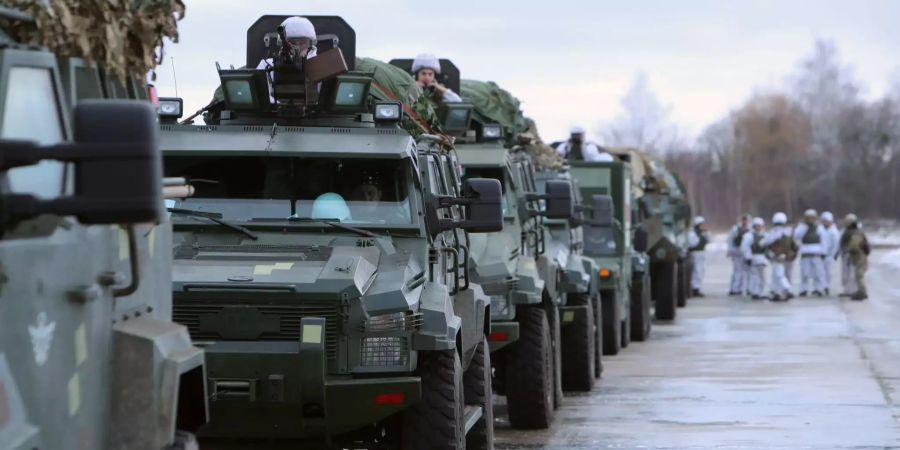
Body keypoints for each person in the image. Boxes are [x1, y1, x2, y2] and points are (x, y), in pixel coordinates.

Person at [255, 16, 318, 100]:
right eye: (292, 42)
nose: (297, 47)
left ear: (309, 45)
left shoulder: (320, 65)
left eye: (303, 43)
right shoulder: (268, 65)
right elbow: (259, 94)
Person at [762, 212, 796, 302]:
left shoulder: (776, 232)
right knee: (776, 275)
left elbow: (766, 242)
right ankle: (775, 292)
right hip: (785, 257)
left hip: (777, 256)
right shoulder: (788, 233)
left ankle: (788, 289)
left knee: (779, 275)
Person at [793, 209, 828, 297]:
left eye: (812, 218)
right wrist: (804, 227)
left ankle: (819, 288)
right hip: (805, 252)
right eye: (808, 218)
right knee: (804, 273)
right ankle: (804, 289)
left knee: (818, 273)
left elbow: (824, 240)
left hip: (817, 252)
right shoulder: (802, 227)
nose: (810, 220)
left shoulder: (819, 227)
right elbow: (796, 236)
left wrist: (823, 252)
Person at [839, 213, 870, 300]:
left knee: (857, 275)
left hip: (857, 256)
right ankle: (853, 290)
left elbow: (855, 245)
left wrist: (847, 249)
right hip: (854, 256)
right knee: (852, 274)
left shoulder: (855, 233)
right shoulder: (850, 232)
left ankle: (861, 291)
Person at [741, 217, 768, 300]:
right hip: (754, 258)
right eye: (757, 226)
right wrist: (748, 258)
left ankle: (761, 292)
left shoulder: (765, 236)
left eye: (760, 226)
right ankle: (754, 292)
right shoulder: (749, 236)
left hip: (762, 259)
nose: (758, 228)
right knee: (754, 277)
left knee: (763, 277)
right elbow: (745, 247)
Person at [727, 214, 752, 295]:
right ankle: (735, 288)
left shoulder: (750, 229)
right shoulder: (735, 229)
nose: (744, 222)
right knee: (738, 271)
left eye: (746, 220)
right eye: (743, 220)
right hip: (737, 252)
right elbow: (730, 240)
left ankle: (749, 288)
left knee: (748, 271)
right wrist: (730, 251)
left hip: (747, 253)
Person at [687, 216, 710, 297]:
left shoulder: (703, 233)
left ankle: (697, 287)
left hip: (701, 253)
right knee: (696, 271)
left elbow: (708, 240)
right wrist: (700, 237)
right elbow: (693, 244)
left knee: (700, 271)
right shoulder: (693, 234)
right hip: (695, 253)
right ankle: (694, 288)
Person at [820, 211, 840, 295]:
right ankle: (820, 287)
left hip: (829, 255)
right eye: (823, 220)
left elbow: (836, 245)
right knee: (820, 272)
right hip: (820, 255)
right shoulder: (820, 230)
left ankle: (827, 286)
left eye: (826, 221)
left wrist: (833, 254)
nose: (825, 222)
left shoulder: (834, 232)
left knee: (828, 272)